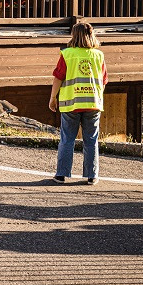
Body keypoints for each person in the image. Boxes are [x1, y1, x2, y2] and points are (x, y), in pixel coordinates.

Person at [48, 22, 108, 185]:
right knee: (91, 140)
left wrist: (53, 98)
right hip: (93, 103)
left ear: (74, 35)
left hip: (71, 103)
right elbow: (103, 80)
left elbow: (58, 77)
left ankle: (61, 174)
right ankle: (92, 176)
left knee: (67, 139)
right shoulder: (98, 55)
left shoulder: (67, 54)